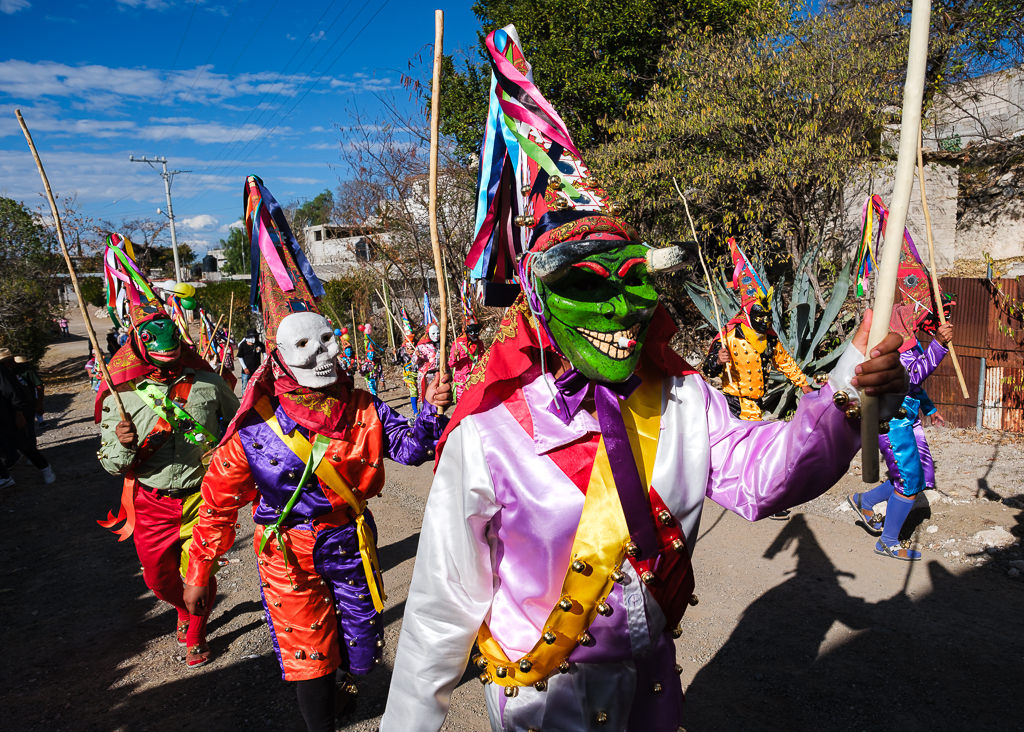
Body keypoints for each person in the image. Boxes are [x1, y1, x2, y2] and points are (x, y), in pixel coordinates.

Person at [380, 26, 907, 731]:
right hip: (543, 704)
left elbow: (767, 475)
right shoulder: (487, 437)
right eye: (586, 286)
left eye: (636, 282)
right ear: (537, 303)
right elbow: (442, 605)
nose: (622, 311)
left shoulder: (688, 402)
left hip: (653, 692)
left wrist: (848, 387)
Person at [182, 175, 452, 732]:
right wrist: (201, 566)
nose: (325, 353)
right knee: (308, 650)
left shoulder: (361, 406)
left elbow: (411, 447)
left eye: (328, 339)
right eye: (304, 345)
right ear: (279, 359)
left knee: (360, 648)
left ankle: (346, 686)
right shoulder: (254, 428)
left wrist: (428, 409)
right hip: (285, 551)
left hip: (350, 540)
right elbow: (215, 503)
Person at [95, 293, 239, 668]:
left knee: (198, 575)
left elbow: (242, 428)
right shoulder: (121, 396)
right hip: (149, 501)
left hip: (202, 496)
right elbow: (112, 465)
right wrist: (124, 445)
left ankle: (196, 633)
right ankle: (183, 608)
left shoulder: (209, 384)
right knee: (159, 580)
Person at [848, 305, 954, 560]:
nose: (918, 320)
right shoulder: (888, 350)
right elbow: (913, 376)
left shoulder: (910, 342)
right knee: (908, 482)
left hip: (909, 419)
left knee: (921, 475)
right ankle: (888, 541)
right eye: (913, 317)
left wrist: (929, 408)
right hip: (891, 422)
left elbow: (914, 388)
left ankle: (865, 501)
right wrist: (938, 344)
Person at [702, 240, 812, 422]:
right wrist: (717, 360)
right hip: (735, 405)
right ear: (747, 315)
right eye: (760, 316)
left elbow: (784, 362)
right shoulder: (729, 337)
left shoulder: (769, 339)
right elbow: (708, 370)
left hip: (758, 404)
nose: (765, 321)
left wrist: (803, 384)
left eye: (768, 316)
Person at [0, 349, 56, 488]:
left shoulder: (2, 372)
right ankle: (5, 476)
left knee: (24, 444)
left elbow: (12, 391)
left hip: (8, 414)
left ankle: (45, 467)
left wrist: (19, 412)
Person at [448, 323, 483, 403]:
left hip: (476, 380)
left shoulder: (479, 343)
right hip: (462, 382)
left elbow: (482, 359)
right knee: (463, 407)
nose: (474, 334)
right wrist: (454, 356)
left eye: (476, 332)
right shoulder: (458, 345)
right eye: (472, 332)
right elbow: (451, 364)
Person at [13, 355, 45, 426]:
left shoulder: (27, 371)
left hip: (28, 396)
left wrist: (40, 404)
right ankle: (41, 421)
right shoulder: (25, 371)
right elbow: (39, 386)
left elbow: (39, 386)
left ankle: (41, 421)